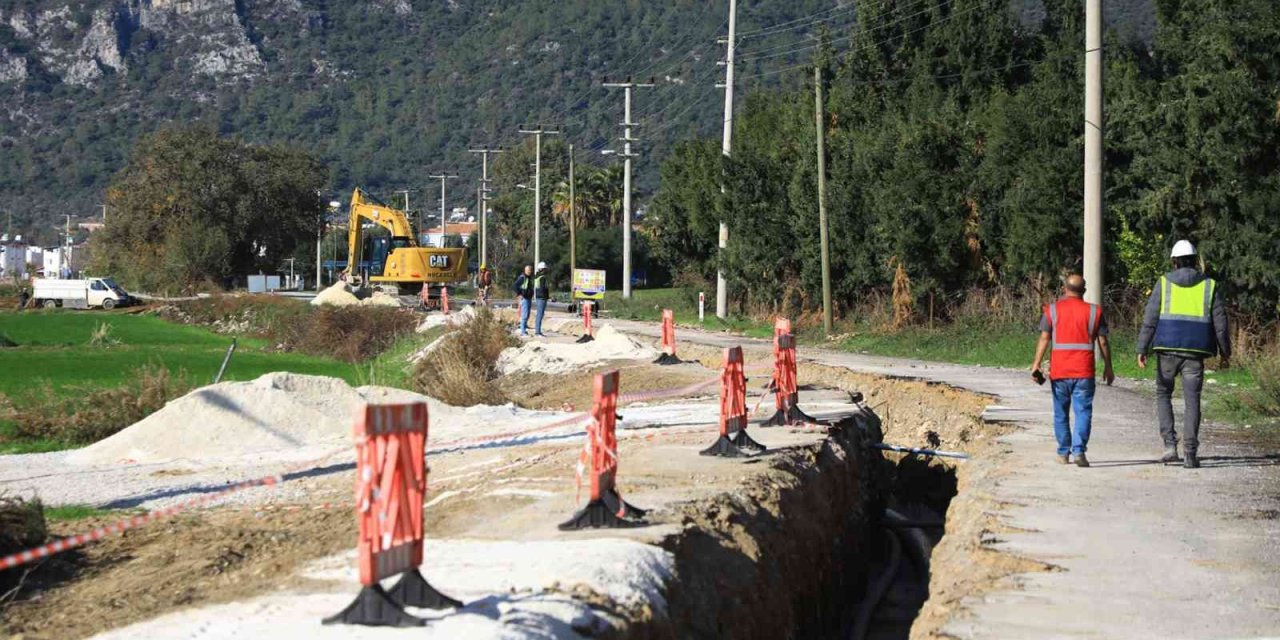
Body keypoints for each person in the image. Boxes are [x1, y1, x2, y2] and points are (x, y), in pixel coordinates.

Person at [1136, 240, 1230, 469]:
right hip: (1195, 352)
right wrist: (1225, 352)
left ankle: (1170, 446)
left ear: (1174, 261)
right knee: (1192, 401)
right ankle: (1190, 452)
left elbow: (1150, 319)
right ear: (1195, 260)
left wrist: (1142, 348)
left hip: (1167, 350)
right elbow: (1220, 323)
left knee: (1163, 394)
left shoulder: (1164, 283)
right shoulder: (1209, 285)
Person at [1031, 274, 1115, 467]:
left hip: (1060, 372)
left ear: (1064, 289)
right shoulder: (1095, 312)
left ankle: (1063, 453)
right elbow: (1102, 341)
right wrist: (1109, 367)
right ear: (1084, 291)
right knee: (1083, 412)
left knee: (1061, 413)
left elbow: (1044, 338)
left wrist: (1036, 364)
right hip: (1084, 372)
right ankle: (1079, 452)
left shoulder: (1052, 311)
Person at [513, 264, 534, 337]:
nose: (530, 271)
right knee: (524, 315)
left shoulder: (528, 278)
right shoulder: (522, 278)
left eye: (530, 270)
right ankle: (523, 332)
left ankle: (524, 329)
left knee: (527, 315)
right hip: (524, 298)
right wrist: (519, 294)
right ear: (525, 270)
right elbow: (515, 285)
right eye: (528, 270)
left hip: (528, 298)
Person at [532, 261, 550, 337]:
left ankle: (538, 331)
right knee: (540, 314)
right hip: (542, 297)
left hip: (539, 297)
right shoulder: (542, 278)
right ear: (542, 269)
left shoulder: (537, 276)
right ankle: (537, 332)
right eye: (545, 269)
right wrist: (548, 296)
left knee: (539, 314)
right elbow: (543, 289)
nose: (546, 270)